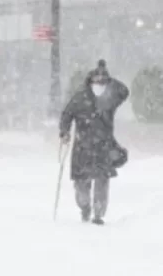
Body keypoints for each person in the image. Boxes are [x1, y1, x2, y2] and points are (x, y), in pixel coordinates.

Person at [59, 59, 129, 225]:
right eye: (96, 80)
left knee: (102, 182)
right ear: (90, 81)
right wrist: (65, 132)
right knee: (81, 184)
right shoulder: (80, 97)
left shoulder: (110, 98)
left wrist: (108, 77)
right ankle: (84, 207)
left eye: (103, 81)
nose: (100, 83)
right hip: (82, 147)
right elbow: (67, 114)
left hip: (104, 147)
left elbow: (124, 91)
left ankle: (98, 214)